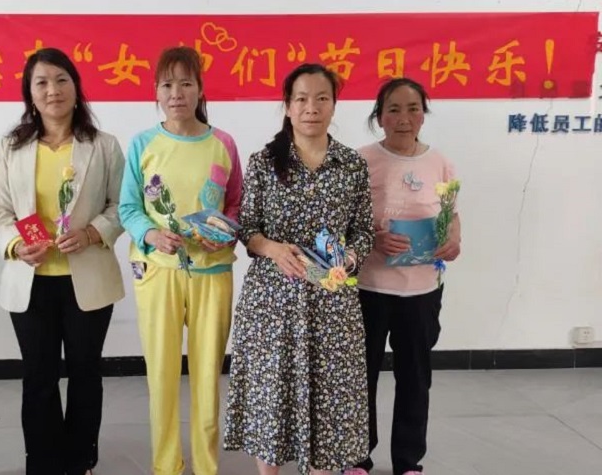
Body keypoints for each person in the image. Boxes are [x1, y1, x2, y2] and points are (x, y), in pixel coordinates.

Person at [223, 63, 373, 475]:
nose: (312, 108)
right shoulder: (263, 162)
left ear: (334, 105)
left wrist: (349, 257)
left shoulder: (351, 165)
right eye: (302, 99)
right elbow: (247, 229)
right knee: (272, 395)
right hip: (273, 302)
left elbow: (364, 231)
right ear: (287, 106)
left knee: (329, 398)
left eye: (322, 98)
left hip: (332, 302)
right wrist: (272, 248)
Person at [0, 47, 125, 475]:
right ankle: (43, 462)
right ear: (29, 93)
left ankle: (80, 459)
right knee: (38, 376)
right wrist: (15, 245)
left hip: (88, 279)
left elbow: (122, 207)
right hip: (31, 280)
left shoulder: (103, 145)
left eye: (62, 80)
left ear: (76, 87)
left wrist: (91, 232)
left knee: (85, 373)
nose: (53, 90)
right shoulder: (11, 147)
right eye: (42, 82)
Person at [118, 46, 243, 475]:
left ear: (200, 89)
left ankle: (207, 465)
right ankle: (166, 465)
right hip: (159, 273)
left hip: (213, 272)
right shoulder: (143, 144)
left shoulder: (223, 143)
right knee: (162, 374)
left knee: (208, 375)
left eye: (186, 83)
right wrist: (151, 234)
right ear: (156, 91)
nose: (177, 93)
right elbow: (128, 207)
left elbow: (236, 204)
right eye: (167, 85)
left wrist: (222, 231)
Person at [346, 77, 461, 475]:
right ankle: (357, 458)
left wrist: (454, 238)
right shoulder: (359, 161)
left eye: (413, 109)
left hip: (422, 292)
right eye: (393, 109)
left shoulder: (440, 163)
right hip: (369, 289)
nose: (404, 118)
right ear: (379, 117)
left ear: (423, 115)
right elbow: (345, 222)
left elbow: (451, 214)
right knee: (360, 377)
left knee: (415, 378)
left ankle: (409, 461)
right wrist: (373, 239)